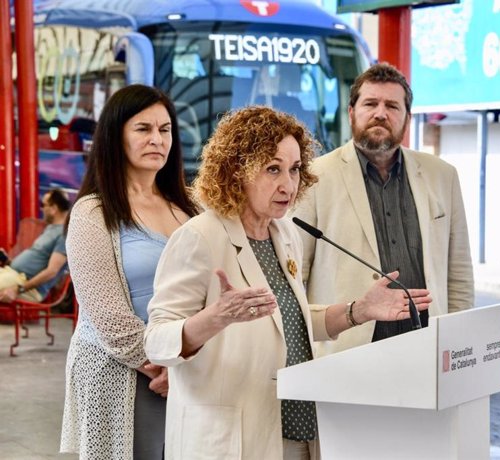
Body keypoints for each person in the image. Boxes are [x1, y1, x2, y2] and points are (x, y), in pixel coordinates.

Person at [144, 106, 431, 459]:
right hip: (231, 441)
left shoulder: (283, 232)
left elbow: (290, 323)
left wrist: (359, 311)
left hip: (295, 433)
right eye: (273, 169)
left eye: (295, 169)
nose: (288, 184)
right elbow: (157, 340)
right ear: (237, 171)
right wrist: (217, 317)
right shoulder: (200, 237)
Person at [292, 62, 474, 357]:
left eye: (392, 105)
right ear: (352, 113)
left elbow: (459, 275)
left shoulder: (443, 175)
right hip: (346, 353)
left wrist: (458, 345)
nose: (380, 113)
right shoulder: (313, 177)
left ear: (407, 118)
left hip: (428, 349)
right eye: (370, 103)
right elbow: (294, 276)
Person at [60, 84, 199, 459]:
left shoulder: (192, 205)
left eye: (165, 129)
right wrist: (163, 366)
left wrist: (190, 364)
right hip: (124, 373)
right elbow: (108, 316)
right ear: (115, 135)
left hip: (190, 372)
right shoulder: (93, 212)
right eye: (143, 129)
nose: (157, 139)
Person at [0, 188, 71, 303]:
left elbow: (51, 271)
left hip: (24, 284)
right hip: (13, 274)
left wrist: (18, 289)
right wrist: (7, 260)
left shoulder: (63, 234)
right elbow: (35, 262)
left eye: (43, 205)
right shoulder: (50, 229)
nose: (41, 208)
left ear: (53, 209)